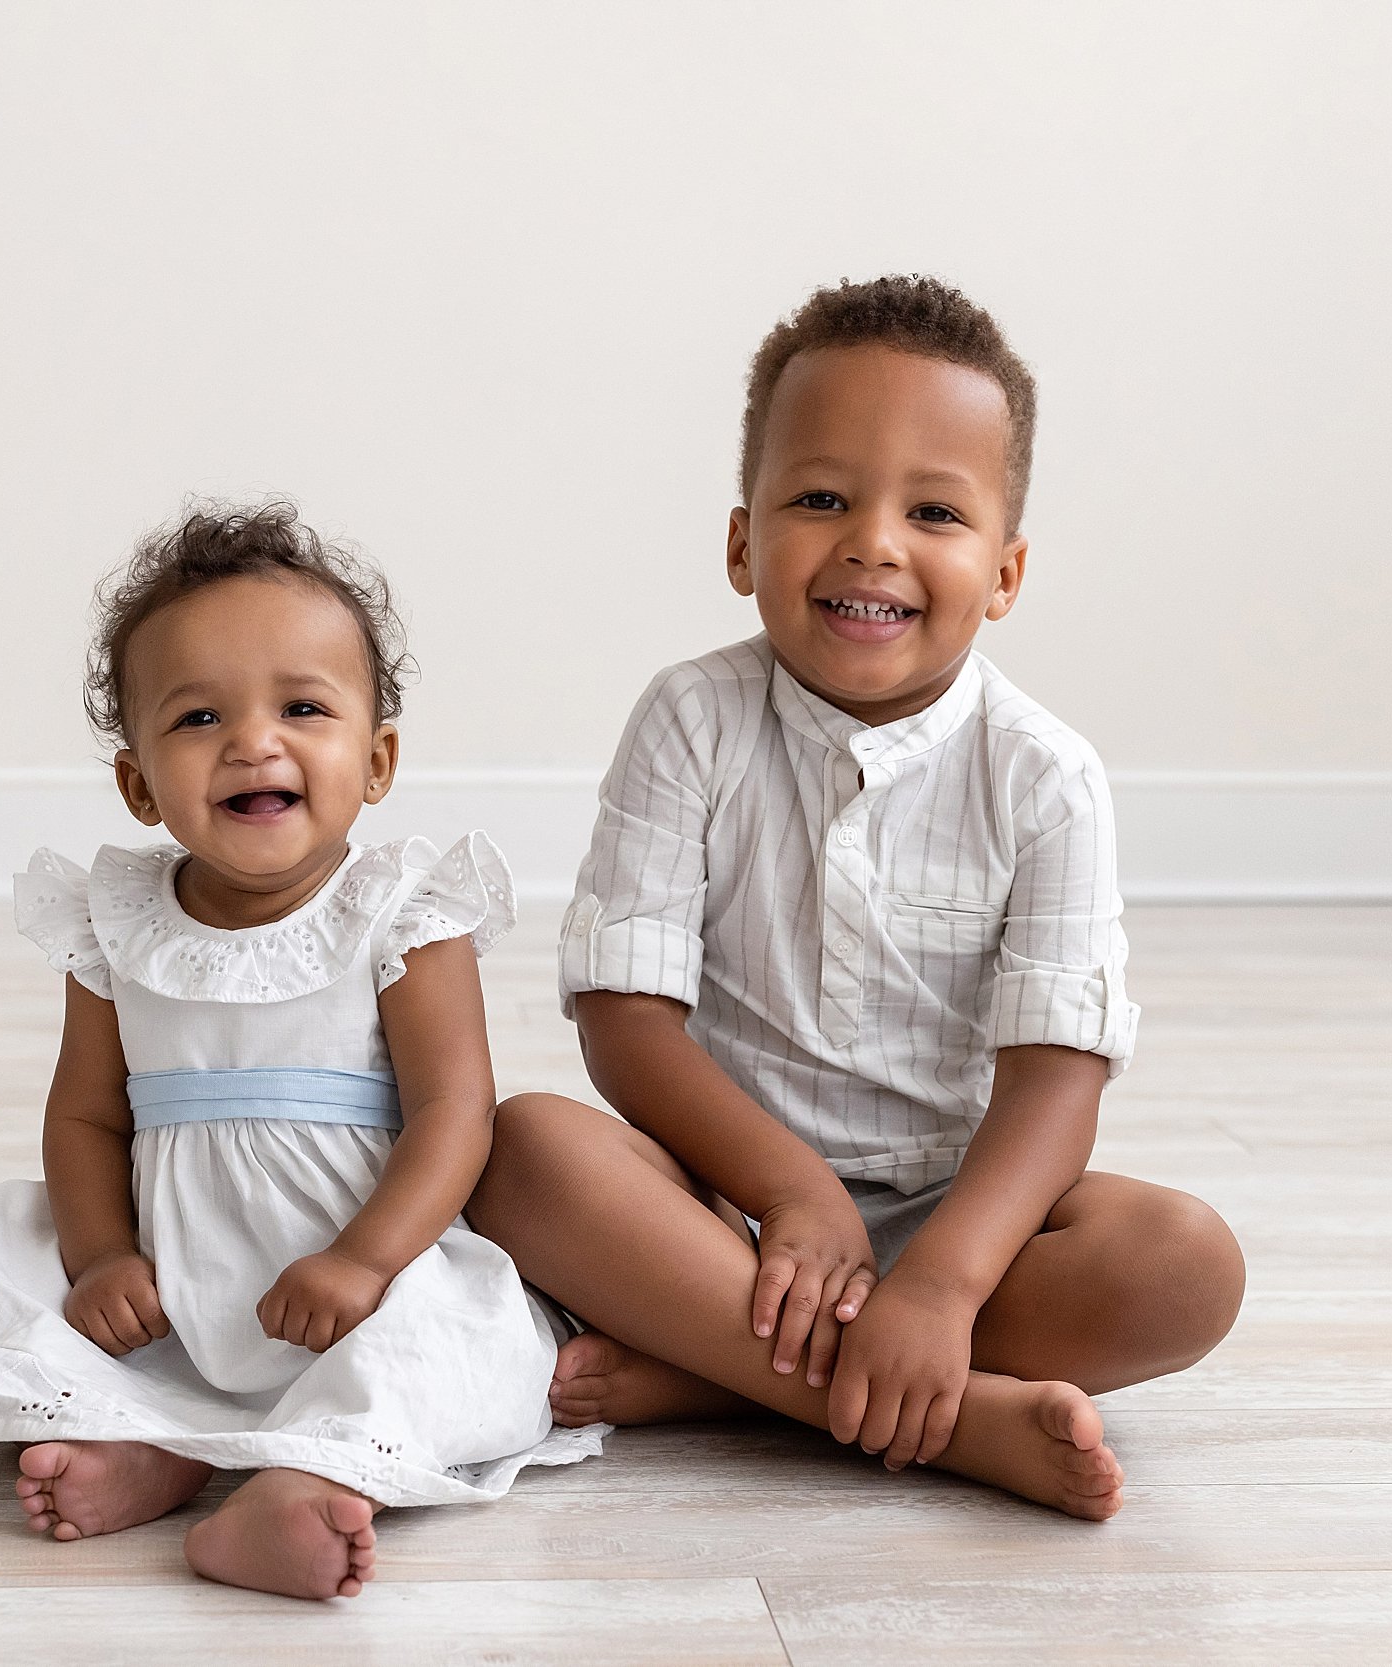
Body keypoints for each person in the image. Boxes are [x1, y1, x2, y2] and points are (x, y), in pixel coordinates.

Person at [467, 275, 1246, 1522]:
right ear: (741, 543)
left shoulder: (1044, 775)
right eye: (821, 497)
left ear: (1004, 569)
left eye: (933, 510)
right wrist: (791, 1192)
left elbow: (1056, 1076)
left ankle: (723, 1381)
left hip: (961, 1218)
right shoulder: (690, 718)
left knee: (1183, 1265)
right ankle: (945, 1419)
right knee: (521, 1147)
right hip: (720, 1213)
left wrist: (939, 1281)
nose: (872, 541)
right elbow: (625, 1019)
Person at [0, 502, 600, 1599]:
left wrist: (367, 1258)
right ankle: (144, 1438)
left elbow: (454, 1113)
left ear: (376, 757)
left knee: (448, 1335)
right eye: (199, 716)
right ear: (139, 780)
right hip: (175, 1274)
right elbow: (88, 1114)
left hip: (356, 1267)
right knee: (1, 1242)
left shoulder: (401, 911)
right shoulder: (116, 919)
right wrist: (103, 1255)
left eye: (302, 705)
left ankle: (298, 1484)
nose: (254, 740)